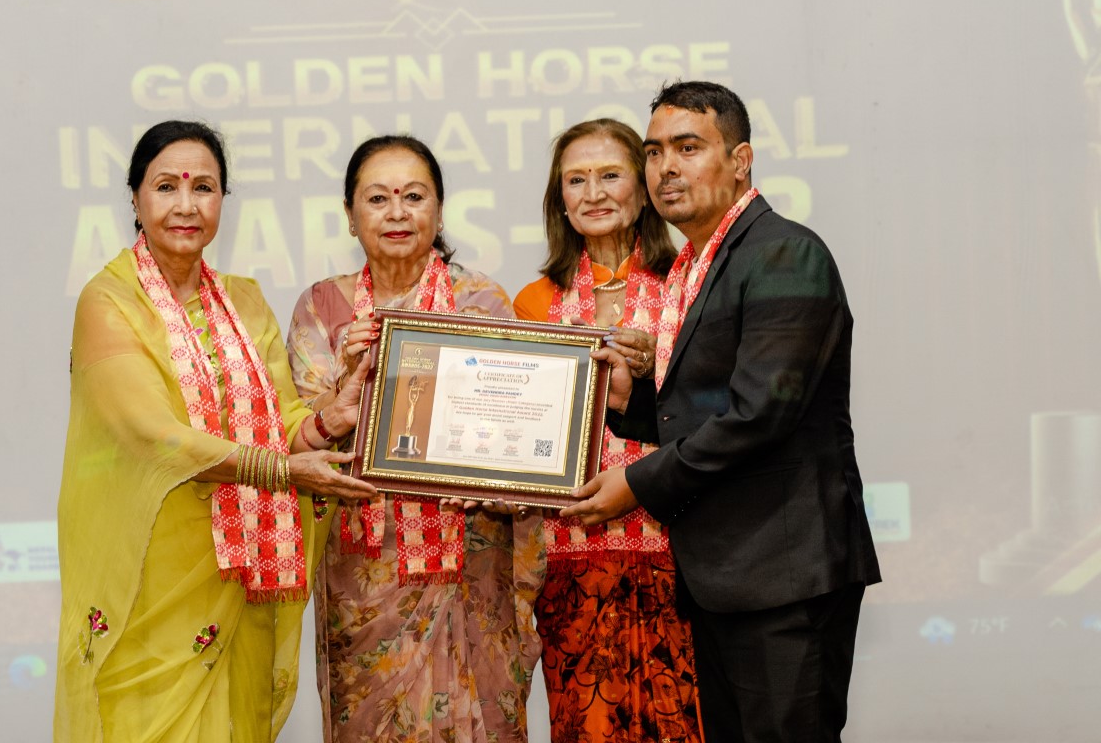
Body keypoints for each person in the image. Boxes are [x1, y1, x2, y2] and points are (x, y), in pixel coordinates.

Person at [563, 82, 882, 743]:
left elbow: (760, 414)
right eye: (654, 152)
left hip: (784, 573)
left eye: (688, 148)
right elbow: (705, 406)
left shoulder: (784, 253)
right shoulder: (697, 264)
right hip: (725, 575)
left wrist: (637, 483)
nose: (665, 169)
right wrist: (630, 404)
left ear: (741, 161)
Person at [55, 121, 378, 742]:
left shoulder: (245, 301)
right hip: (153, 577)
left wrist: (328, 421)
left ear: (222, 201)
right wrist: (283, 470)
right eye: (166, 186)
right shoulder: (109, 302)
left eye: (203, 187)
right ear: (135, 199)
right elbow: (154, 435)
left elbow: (280, 424)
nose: (186, 205)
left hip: (242, 568)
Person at [287, 135, 545, 743]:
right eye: (378, 198)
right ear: (351, 215)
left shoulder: (481, 300)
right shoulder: (322, 306)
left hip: (470, 559)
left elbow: (516, 424)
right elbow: (304, 436)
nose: (397, 213)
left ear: (440, 209)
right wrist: (350, 378)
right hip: (365, 570)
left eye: (414, 196)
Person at [513, 119, 702, 743]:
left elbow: (721, 414)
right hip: (571, 560)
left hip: (683, 555)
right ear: (560, 200)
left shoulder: (690, 286)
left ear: (643, 190)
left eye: (610, 175)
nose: (593, 193)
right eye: (576, 180)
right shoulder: (532, 303)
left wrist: (655, 375)